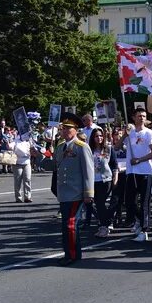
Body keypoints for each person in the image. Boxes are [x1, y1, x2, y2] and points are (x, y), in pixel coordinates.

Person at [51, 113, 94, 266]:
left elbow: (88, 170)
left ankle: (72, 255)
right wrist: (39, 156)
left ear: (76, 130)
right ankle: (71, 253)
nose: (65, 131)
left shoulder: (82, 147)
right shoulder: (61, 147)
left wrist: (88, 193)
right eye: (64, 128)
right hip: (64, 193)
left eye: (69, 128)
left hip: (76, 192)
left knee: (70, 224)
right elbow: (55, 166)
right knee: (66, 226)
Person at [116, 109, 152, 242]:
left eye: (144, 116)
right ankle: (143, 222)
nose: (142, 118)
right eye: (139, 116)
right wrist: (124, 135)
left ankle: (144, 231)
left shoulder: (148, 132)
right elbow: (116, 147)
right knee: (129, 202)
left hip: (145, 171)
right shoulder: (130, 133)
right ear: (133, 117)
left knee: (144, 203)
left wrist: (139, 160)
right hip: (131, 172)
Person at [13, 133, 34, 202]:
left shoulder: (29, 141)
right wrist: (8, 145)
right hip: (18, 162)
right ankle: (18, 197)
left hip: (27, 162)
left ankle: (27, 197)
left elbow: (33, 148)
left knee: (27, 179)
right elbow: (10, 146)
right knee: (18, 180)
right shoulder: (16, 140)